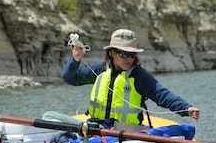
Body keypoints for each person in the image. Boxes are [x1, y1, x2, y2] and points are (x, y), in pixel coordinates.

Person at [51, 28, 199, 129]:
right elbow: (70, 78)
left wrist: (185, 108)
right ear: (112, 53)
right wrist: (75, 59)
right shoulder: (100, 70)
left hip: (126, 134)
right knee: (50, 117)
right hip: (96, 128)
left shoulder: (138, 75)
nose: (128, 59)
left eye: (132, 54)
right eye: (123, 54)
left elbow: (161, 94)